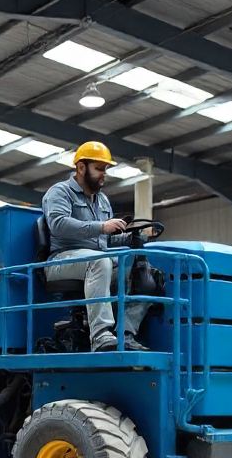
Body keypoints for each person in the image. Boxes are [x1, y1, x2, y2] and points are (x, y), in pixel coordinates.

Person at [41, 141, 153, 352]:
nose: (103, 174)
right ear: (81, 167)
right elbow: (58, 225)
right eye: (98, 168)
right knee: (99, 261)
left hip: (94, 259)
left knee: (141, 271)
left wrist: (132, 237)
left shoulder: (102, 201)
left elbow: (105, 240)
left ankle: (125, 333)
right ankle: (100, 335)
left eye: (105, 169)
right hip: (61, 260)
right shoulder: (60, 192)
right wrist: (102, 226)